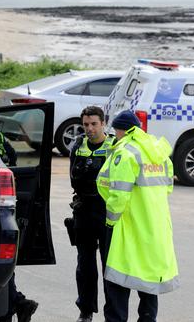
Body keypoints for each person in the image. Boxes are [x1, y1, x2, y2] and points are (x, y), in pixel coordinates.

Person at [96, 110, 179, 322]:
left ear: (120, 130)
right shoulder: (158, 152)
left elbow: (119, 195)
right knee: (148, 282)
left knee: (117, 282)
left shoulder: (126, 152)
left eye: (115, 131)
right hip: (155, 227)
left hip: (128, 226)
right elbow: (167, 188)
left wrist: (110, 222)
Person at [0, 114, 37, 322]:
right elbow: (14, 165)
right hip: (2, 205)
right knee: (4, 264)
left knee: (2, 263)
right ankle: (17, 303)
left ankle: (14, 306)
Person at [69, 106, 116, 322]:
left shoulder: (113, 147)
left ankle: (113, 314)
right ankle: (85, 311)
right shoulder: (77, 146)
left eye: (94, 124)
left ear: (103, 123)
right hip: (83, 211)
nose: (89, 129)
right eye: (86, 124)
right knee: (85, 266)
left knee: (110, 266)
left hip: (106, 212)